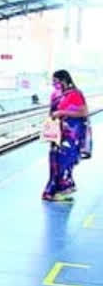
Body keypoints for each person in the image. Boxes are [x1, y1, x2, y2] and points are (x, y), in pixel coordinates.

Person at [42, 70, 88, 202]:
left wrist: (62, 112)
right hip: (57, 133)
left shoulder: (75, 94)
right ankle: (52, 191)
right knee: (54, 161)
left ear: (64, 80)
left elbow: (83, 112)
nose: (54, 84)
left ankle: (61, 190)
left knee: (65, 160)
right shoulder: (56, 95)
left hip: (71, 134)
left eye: (56, 81)